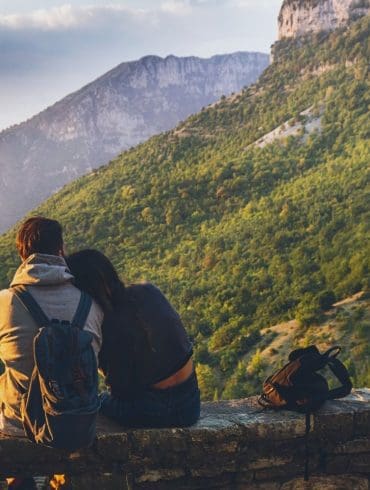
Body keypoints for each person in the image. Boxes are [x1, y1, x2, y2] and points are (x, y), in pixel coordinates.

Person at [66, 249, 200, 428]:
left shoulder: (107, 325)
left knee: (98, 401)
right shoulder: (148, 291)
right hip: (191, 403)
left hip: (155, 412)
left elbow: (122, 393)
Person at [0, 217, 103, 438]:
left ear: (22, 256)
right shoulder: (91, 304)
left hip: (19, 424)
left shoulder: (5, 302)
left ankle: (16, 474)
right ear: (60, 251)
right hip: (77, 421)